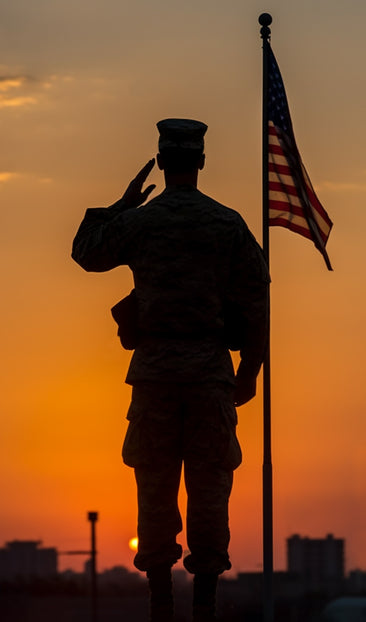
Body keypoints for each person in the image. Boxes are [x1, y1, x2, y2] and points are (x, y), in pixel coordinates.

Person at [72, 118, 270, 622]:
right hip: (209, 375)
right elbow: (257, 299)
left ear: (162, 161)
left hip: (156, 374)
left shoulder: (142, 222)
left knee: (154, 488)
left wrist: (120, 206)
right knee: (210, 488)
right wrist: (249, 370)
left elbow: (86, 252)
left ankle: (161, 604)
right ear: (201, 162)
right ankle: (204, 603)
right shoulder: (226, 223)